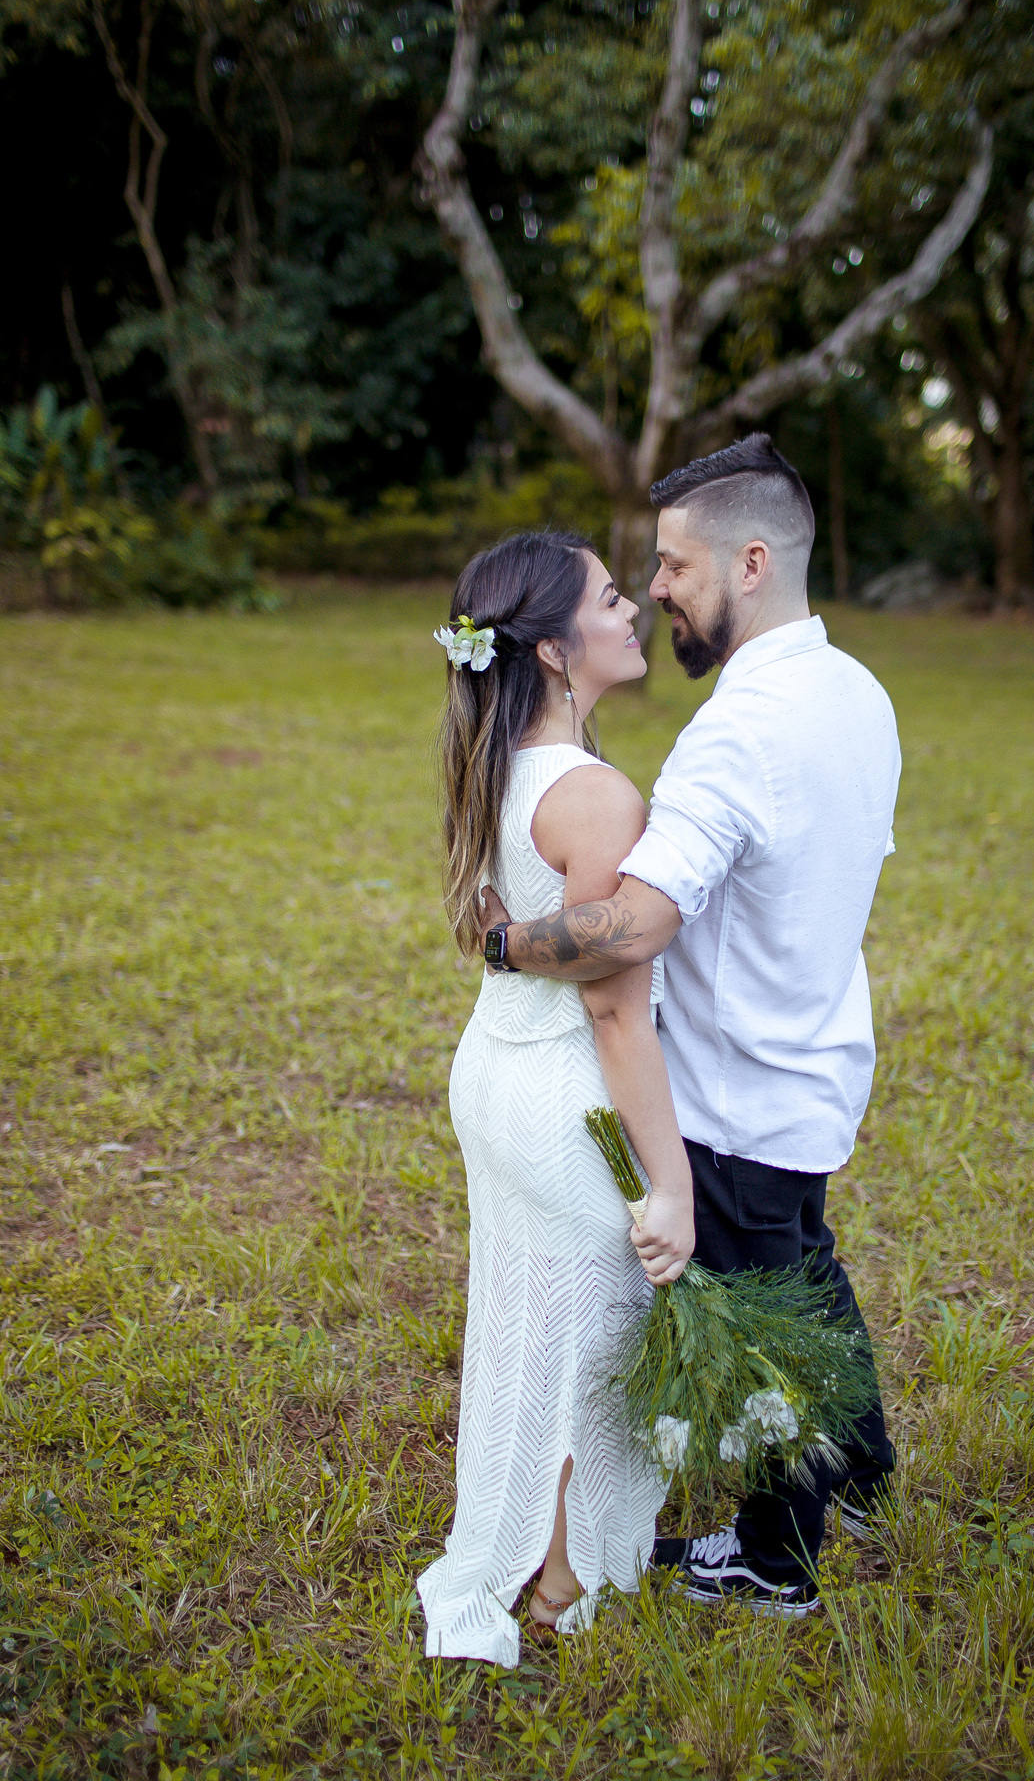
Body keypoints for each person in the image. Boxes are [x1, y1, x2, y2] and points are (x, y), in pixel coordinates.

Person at [480, 434, 901, 1618]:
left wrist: (508, 943)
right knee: (805, 1268)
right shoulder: (856, 691)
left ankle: (774, 1557)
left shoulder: (737, 731)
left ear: (750, 563)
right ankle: (861, 1471)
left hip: (736, 1084)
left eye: (674, 565)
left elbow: (628, 928)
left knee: (768, 1328)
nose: (657, 586)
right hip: (816, 1054)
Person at [417, 531, 695, 1666]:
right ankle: (564, 1579)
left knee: (530, 1321)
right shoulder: (596, 796)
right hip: (567, 1100)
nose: (634, 609)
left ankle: (527, 1532)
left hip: (493, 1075)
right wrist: (670, 1183)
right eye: (612, 598)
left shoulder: (496, 765)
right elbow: (616, 1011)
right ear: (551, 646)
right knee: (600, 1329)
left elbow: (496, 926)